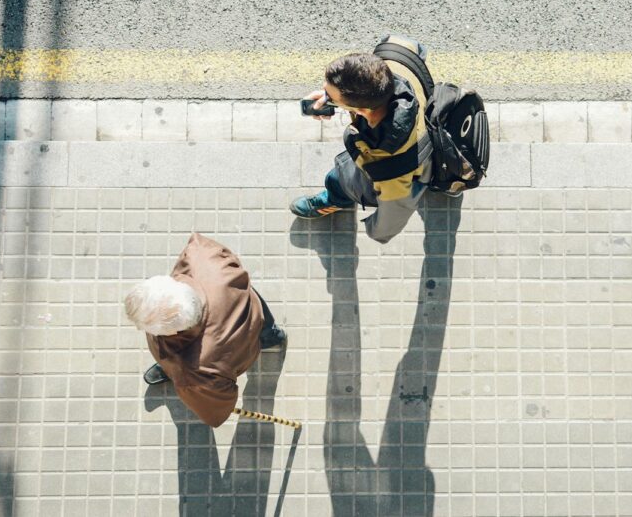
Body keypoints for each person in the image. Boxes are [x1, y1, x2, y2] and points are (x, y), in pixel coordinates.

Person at [123, 233, 285, 427]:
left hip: (234, 354)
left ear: (173, 333)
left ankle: (169, 368)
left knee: (176, 365)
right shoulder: (198, 255)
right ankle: (272, 336)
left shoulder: (194, 372)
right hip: (245, 302)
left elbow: (216, 410)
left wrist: (181, 376)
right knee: (265, 326)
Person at [289, 36, 432, 244]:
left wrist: (375, 231)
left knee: (339, 178)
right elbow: (417, 47)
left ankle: (336, 198)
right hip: (425, 134)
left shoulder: (390, 170)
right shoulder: (395, 53)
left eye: (331, 96)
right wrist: (334, 99)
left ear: (363, 111)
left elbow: (392, 218)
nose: (324, 98)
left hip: (402, 167)